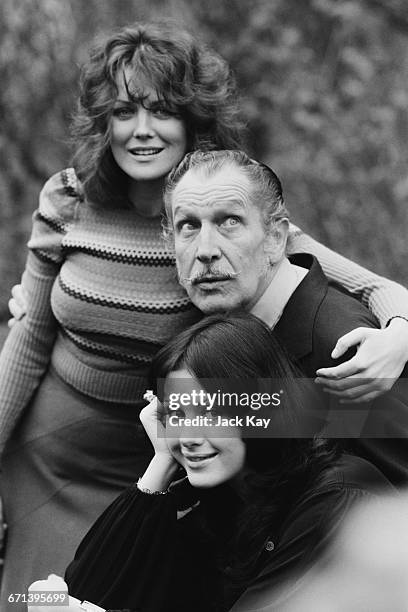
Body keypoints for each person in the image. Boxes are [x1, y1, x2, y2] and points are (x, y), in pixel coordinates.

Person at [1, 21, 408, 609]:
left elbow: (365, 287)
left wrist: (398, 334)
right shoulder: (69, 199)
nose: (141, 130)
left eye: (162, 110)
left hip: (170, 446)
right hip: (62, 447)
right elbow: (32, 333)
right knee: (39, 598)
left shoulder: (223, 200)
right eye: (123, 111)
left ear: (192, 117)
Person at [62, 313, 393, 612]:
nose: (187, 436)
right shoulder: (224, 498)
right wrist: (161, 463)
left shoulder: (334, 499)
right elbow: (84, 591)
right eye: (175, 414)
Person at [163, 149, 408, 485]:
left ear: (276, 238)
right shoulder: (219, 316)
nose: (205, 249)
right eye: (188, 225)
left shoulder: (344, 352)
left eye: (229, 221)